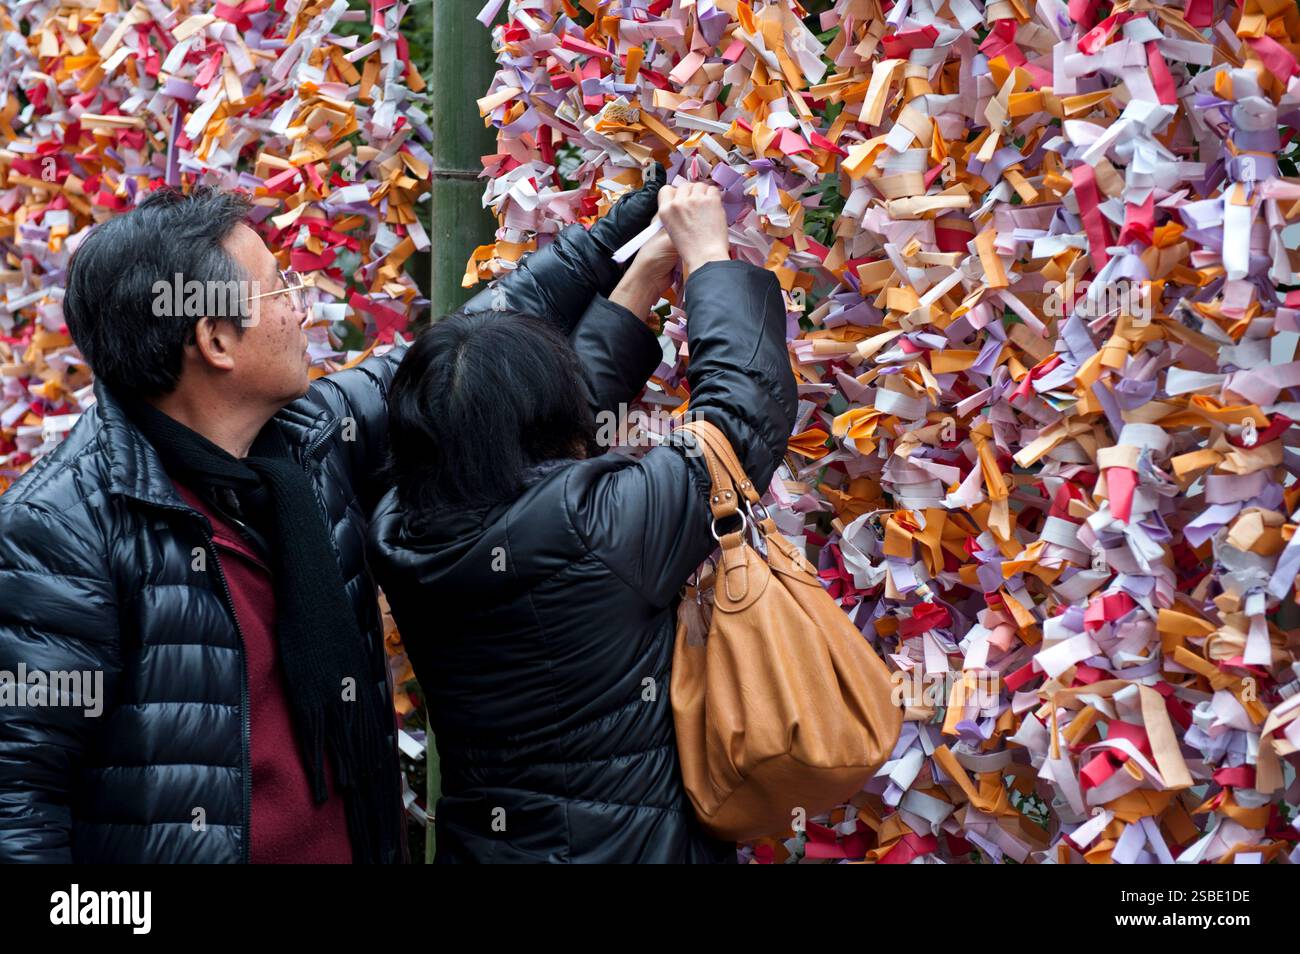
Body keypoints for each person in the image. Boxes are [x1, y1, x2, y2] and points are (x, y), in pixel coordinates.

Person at [0, 176, 662, 863]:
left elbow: (475, 349)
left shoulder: (309, 442)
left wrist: (627, 225)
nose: (300, 307)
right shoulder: (60, 531)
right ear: (215, 339)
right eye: (278, 289)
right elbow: (19, 805)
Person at [368, 180, 799, 863]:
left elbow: (517, 435)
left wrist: (639, 285)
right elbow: (738, 427)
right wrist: (711, 258)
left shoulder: (400, 525)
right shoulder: (598, 529)